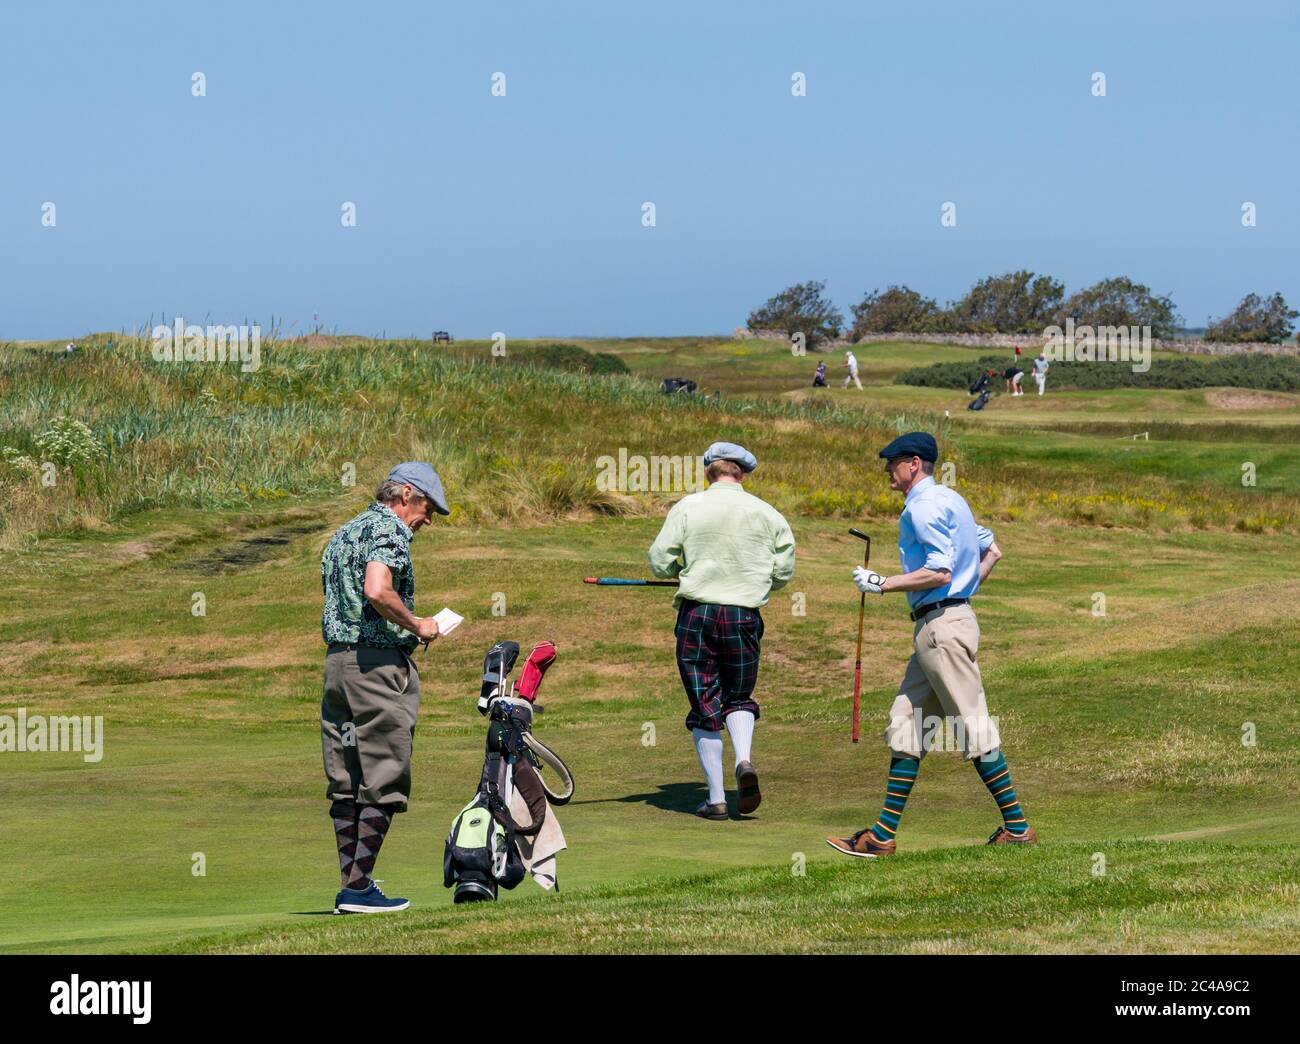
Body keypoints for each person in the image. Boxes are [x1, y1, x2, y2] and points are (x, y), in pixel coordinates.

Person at [826, 431, 1035, 857]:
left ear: (914, 463)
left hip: (941, 628)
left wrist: (882, 584)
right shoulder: (952, 499)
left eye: (893, 461)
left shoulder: (921, 508)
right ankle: (882, 836)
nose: (888, 469)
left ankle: (1018, 828)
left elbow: (938, 571)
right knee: (907, 724)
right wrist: (964, 593)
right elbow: (991, 549)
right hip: (943, 624)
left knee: (972, 726)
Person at [319, 462, 450, 913]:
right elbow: (378, 589)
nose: (428, 519)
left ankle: (353, 886)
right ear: (407, 495)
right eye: (428, 508)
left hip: (338, 663)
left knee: (346, 777)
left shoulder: (343, 532)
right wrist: (417, 624)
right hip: (375, 668)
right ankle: (356, 889)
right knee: (384, 774)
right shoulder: (390, 530)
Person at [648, 442, 795, 820]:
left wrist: (684, 569)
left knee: (705, 701)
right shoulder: (767, 513)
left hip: (698, 614)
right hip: (744, 615)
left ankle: (715, 798)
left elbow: (659, 561)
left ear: (708, 472)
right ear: (741, 474)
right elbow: (782, 573)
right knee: (739, 694)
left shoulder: (687, 507)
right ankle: (743, 760)